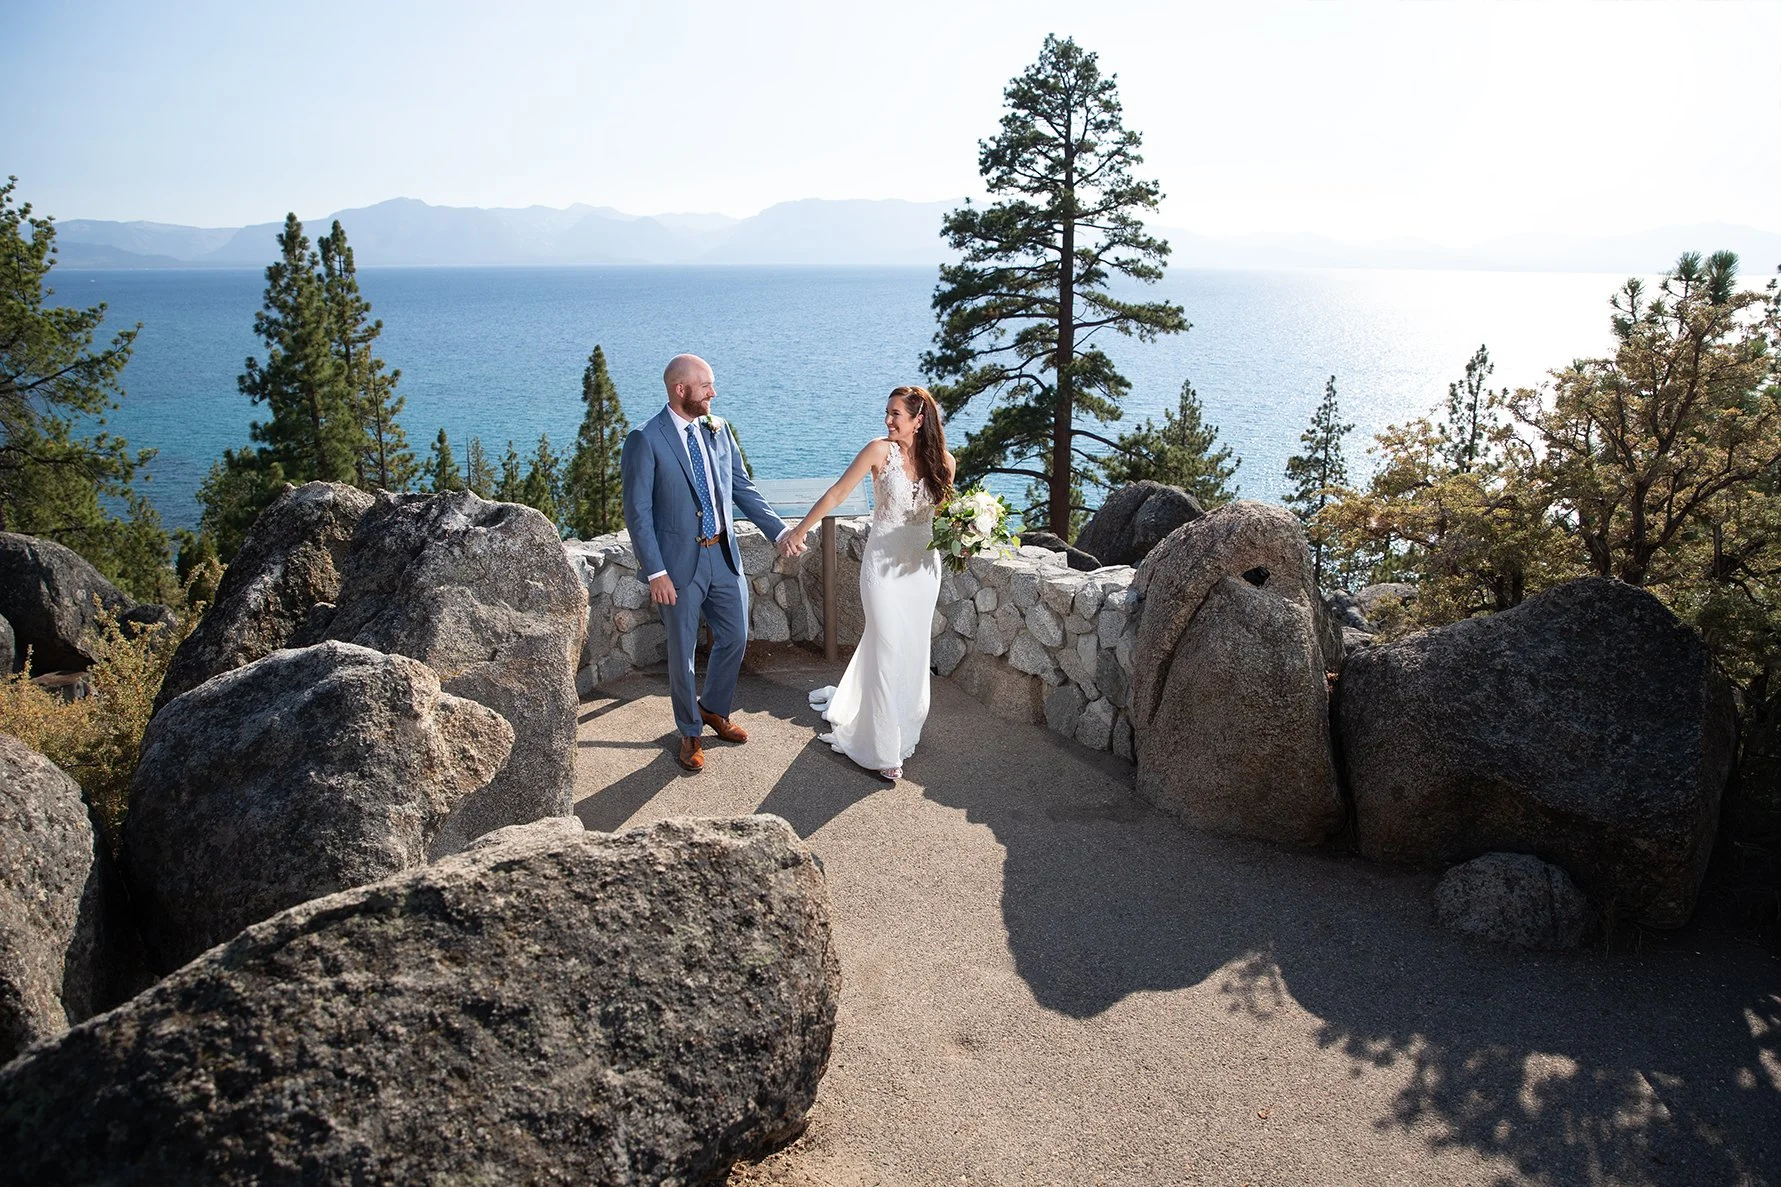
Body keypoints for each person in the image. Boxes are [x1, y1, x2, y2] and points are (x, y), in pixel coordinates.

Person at [621, 354, 795, 773]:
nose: (713, 393)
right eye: (706, 387)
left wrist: (779, 531)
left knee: (735, 636)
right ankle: (690, 732)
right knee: (682, 653)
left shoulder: (719, 430)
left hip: (723, 554)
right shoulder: (645, 439)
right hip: (678, 566)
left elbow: (741, 487)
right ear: (681, 390)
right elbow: (638, 513)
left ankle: (714, 708)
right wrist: (657, 572)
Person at [778, 386, 954, 780]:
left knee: (911, 651)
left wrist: (971, 532)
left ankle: (902, 727)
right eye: (887, 413)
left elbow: (942, 521)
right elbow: (838, 492)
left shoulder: (944, 462)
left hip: (923, 570)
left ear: (919, 419)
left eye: (896, 414)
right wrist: (799, 530)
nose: (888, 421)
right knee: (889, 644)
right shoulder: (879, 451)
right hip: (882, 569)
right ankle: (881, 747)